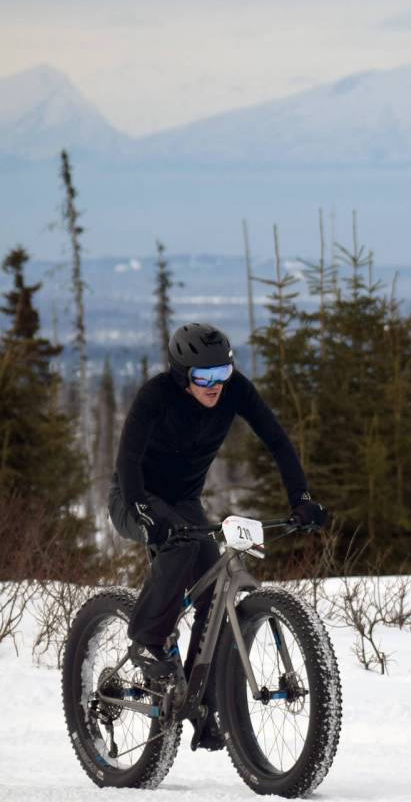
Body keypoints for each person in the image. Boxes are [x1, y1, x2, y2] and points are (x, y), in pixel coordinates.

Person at [108, 321, 326, 750]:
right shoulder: (155, 396)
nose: (215, 387)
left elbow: (278, 442)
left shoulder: (236, 390)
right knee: (180, 544)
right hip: (135, 498)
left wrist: (301, 499)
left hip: (184, 502)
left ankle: (204, 707)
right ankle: (148, 641)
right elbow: (128, 461)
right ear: (181, 375)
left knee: (214, 594)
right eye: (203, 378)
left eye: (222, 375)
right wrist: (144, 511)